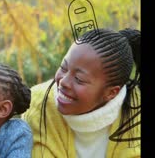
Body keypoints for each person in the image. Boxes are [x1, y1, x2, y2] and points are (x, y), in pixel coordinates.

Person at [22, 28, 141, 157]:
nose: (63, 82)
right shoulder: (39, 103)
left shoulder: (136, 112)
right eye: (63, 67)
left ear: (111, 93)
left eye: (79, 79)